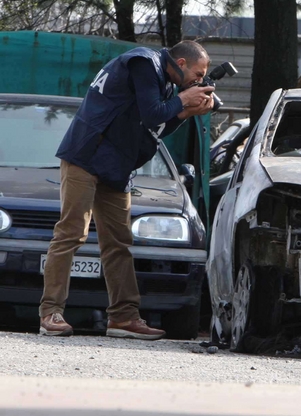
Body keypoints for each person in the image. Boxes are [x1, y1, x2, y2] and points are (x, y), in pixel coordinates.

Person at [39, 40, 219, 340]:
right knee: (71, 233)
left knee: (119, 242)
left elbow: (155, 127)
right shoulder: (144, 63)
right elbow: (152, 113)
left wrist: (186, 112)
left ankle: (123, 318)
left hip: (117, 165)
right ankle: (50, 313)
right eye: (198, 74)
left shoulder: (164, 84)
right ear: (182, 63)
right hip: (87, 155)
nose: (199, 81)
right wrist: (185, 98)